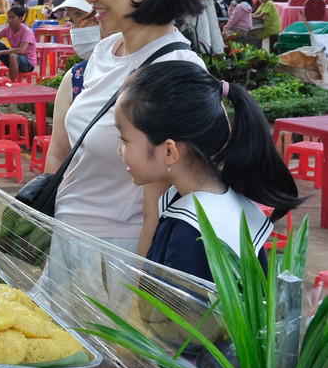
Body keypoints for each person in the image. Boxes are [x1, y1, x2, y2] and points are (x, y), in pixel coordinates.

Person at [44, 0, 206, 258]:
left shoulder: (174, 72)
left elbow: (158, 207)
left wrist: (140, 292)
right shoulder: (105, 51)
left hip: (113, 258)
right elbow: (64, 155)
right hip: (67, 243)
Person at [114, 61, 304, 281]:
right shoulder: (224, 196)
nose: (120, 150)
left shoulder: (191, 233)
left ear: (169, 152)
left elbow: (181, 313)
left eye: (124, 139)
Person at [0, 5, 36, 80]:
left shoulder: (26, 32)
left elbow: (21, 50)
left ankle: (12, 82)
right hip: (14, 59)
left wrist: (0, 52)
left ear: (20, 19)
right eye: (9, 17)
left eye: (13, 18)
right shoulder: (8, 29)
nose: (10, 20)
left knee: (13, 56)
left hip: (28, 63)